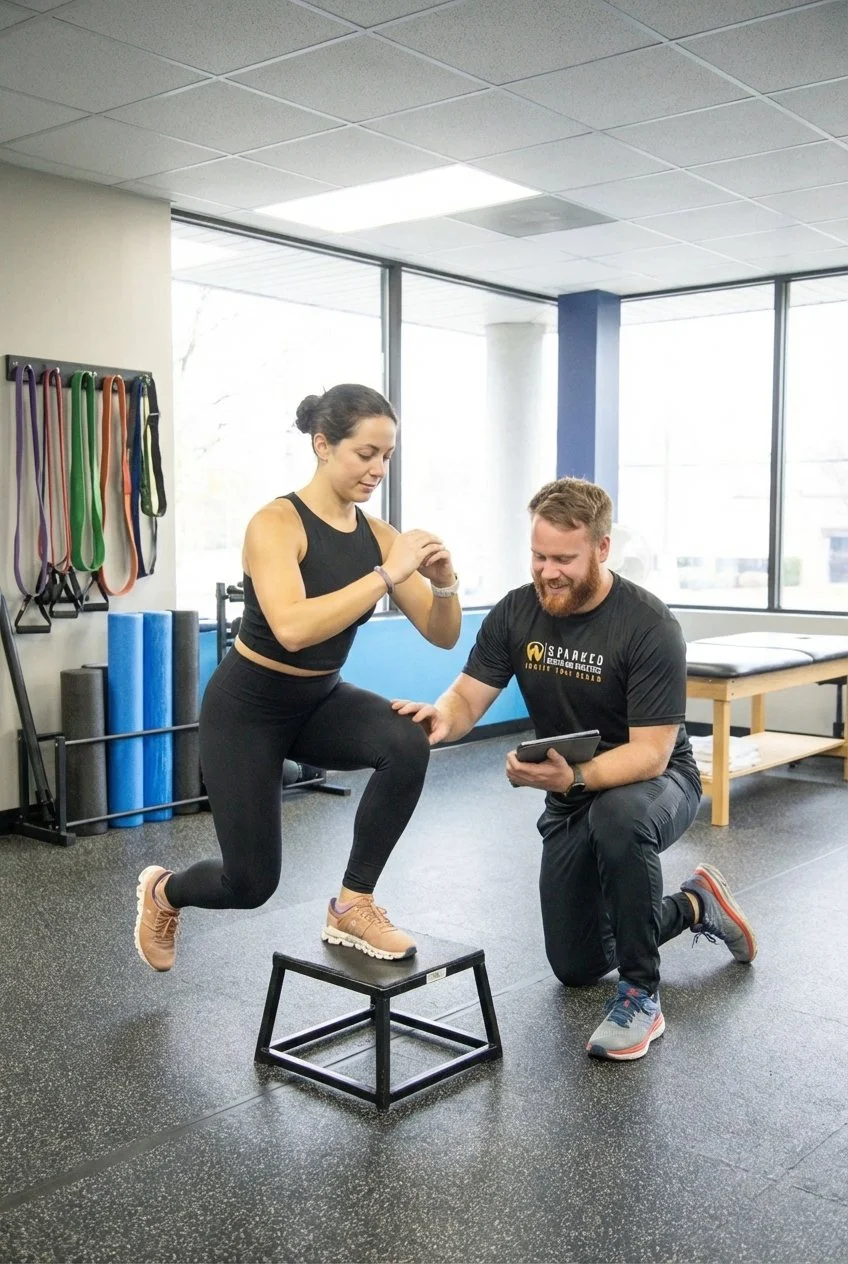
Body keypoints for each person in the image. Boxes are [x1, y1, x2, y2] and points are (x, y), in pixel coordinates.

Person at [394, 477, 756, 1062]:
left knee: (618, 818)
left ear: (602, 549)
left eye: (564, 559)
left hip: (657, 782)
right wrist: (441, 716)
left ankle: (641, 996)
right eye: (539, 556)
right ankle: (696, 904)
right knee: (577, 965)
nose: (548, 571)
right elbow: (466, 697)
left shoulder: (648, 624)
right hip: (574, 792)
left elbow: (651, 752)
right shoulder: (517, 612)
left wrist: (575, 779)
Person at [135, 384, 461, 972]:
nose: (378, 469)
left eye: (387, 456)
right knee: (249, 883)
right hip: (247, 709)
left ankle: (353, 904)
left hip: (319, 698)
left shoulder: (379, 536)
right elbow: (291, 628)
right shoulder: (276, 523)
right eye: (366, 453)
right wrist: (387, 576)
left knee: (406, 740)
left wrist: (444, 583)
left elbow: (442, 633)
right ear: (322, 445)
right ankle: (165, 891)